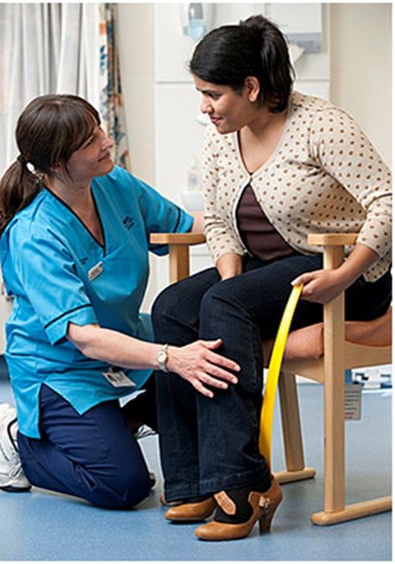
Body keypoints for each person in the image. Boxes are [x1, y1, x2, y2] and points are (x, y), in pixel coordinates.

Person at [151, 14, 392, 541]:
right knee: (172, 307)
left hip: (339, 272)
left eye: (212, 93)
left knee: (226, 306)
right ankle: (192, 482)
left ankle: (243, 486)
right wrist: (228, 276)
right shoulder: (221, 139)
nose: (203, 107)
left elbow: (386, 202)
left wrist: (346, 273)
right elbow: (216, 218)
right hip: (267, 273)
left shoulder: (322, 125)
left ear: (252, 87)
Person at [0, 94, 240, 510]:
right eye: (91, 141)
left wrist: (254, 227)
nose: (106, 142)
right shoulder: (34, 233)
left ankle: (122, 421)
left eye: (100, 130)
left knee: (211, 377)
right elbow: (85, 339)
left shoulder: (115, 185)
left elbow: (184, 225)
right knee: (124, 485)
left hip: (126, 341)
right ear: (58, 163)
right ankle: (20, 441)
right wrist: (170, 358)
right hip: (61, 368)